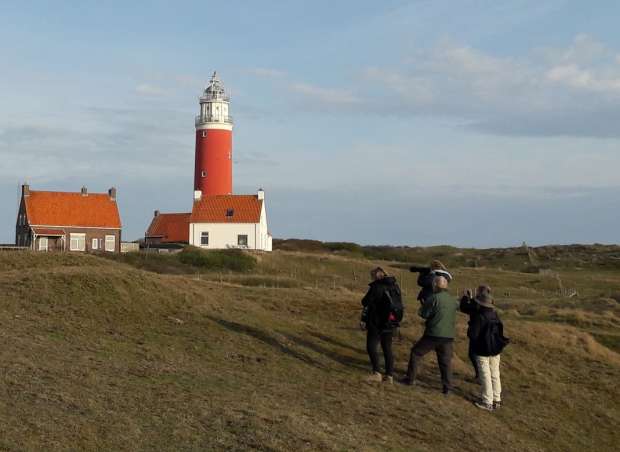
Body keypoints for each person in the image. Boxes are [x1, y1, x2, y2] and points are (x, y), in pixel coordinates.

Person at [401, 274, 458, 395]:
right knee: (445, 361)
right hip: (448, 335)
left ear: (435, 285)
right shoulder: (453, 300)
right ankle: (447, 387)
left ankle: (410, 379)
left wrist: (424, 305)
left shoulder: (433, 298)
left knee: (416, 353)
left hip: (433, 333)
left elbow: (423, 314)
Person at [469, 292, 509, 411]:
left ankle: (487, 401)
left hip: (482, 349)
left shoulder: (479, 316)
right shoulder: (495, 315)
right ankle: (497, 399)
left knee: (485, 375)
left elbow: (472, 335)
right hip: (495, 348)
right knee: (495, 374)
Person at [360, 267, 401, 384]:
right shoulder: (395, 286)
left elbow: (364, 301)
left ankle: (377, 373)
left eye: (372, 276)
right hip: (391, 322)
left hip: (376, 321)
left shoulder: (376, 287)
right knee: (387, 348)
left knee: (371, 346)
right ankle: (389, 376)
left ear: (376, 276)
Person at [459, 285, 493, 382]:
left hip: (477, 333)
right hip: (487, 333)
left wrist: (465, 297)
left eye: (478, 291)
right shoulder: (489, 303)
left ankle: (481, 376)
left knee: (474, 355)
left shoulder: (478, 304)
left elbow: (465, 308)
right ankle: (484, 376)